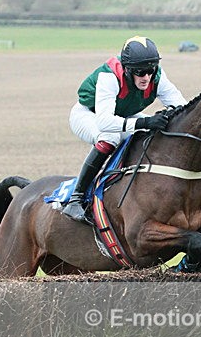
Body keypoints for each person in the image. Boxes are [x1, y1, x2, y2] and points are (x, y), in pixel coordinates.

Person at [65, 36, 187, 221]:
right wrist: (144, 123)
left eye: (150, 70)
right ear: (127, 69)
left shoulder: (157, 77)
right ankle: (76, 198)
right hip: (89, 114)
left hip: (122, 115)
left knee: (160, 129)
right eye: (140, 72)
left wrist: (169, 116)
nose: (146, 77)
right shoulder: (109, 77)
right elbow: (105, 122)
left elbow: (181, 106)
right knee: (110, 138)